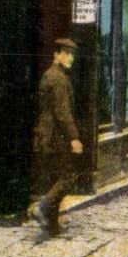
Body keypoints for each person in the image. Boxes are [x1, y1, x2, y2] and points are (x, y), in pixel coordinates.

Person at [30, 37, 83, 238]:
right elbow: (62, 112)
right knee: (69, 176)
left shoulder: (49, 75)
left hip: (46, 134)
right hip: (55, 136)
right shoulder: (59, 79)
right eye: (66, 53)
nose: (70, 58)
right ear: (56, 55)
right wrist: (74, 138)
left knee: (55, 177)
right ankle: (42, 208)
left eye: (72, 54)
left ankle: (51, 226)